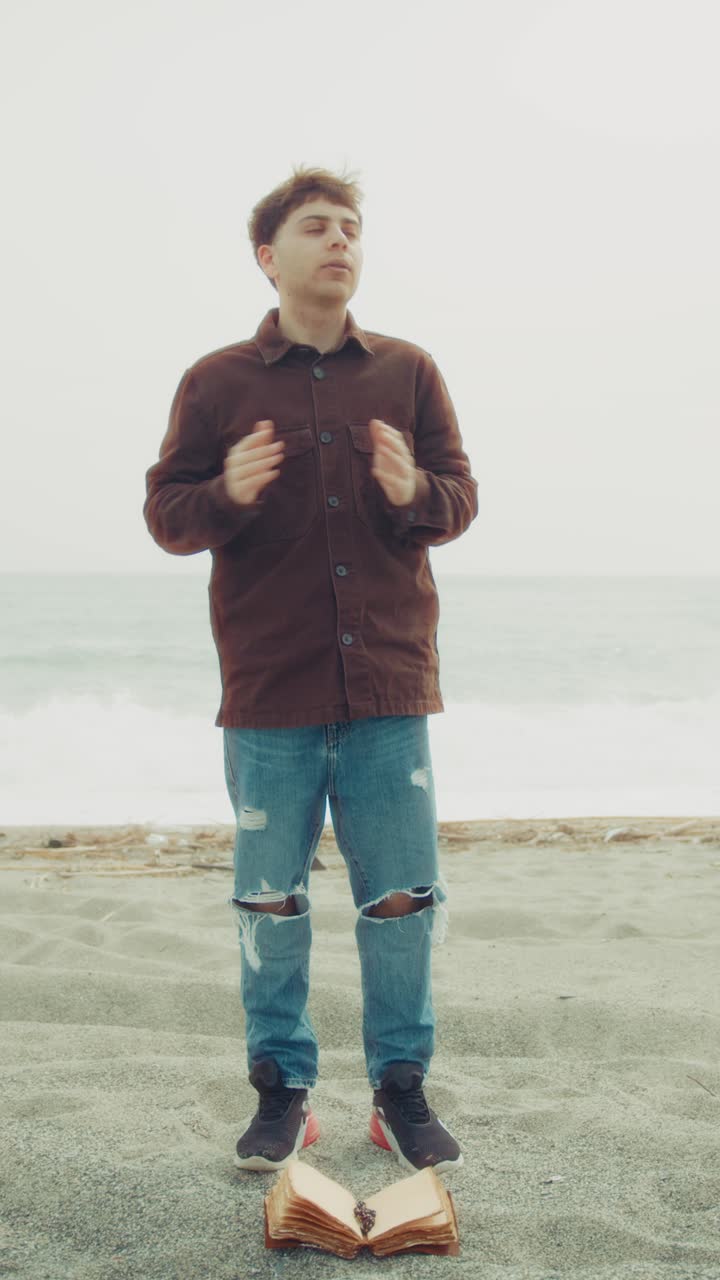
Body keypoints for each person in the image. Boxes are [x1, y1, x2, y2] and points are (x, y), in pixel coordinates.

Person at [144, 166, 478, 1175]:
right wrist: (227, 494)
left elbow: (460, 496)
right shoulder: (216, 381)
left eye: (351, 228)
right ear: (268, 255)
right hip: (270, 690)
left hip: (387, 688)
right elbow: (167, 513)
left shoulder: (409, 370)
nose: (340, 241)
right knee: (269, 904)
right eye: (317, 227)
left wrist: (413, 486)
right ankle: (283, 1093)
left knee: (402, 900)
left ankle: (399, 1091)